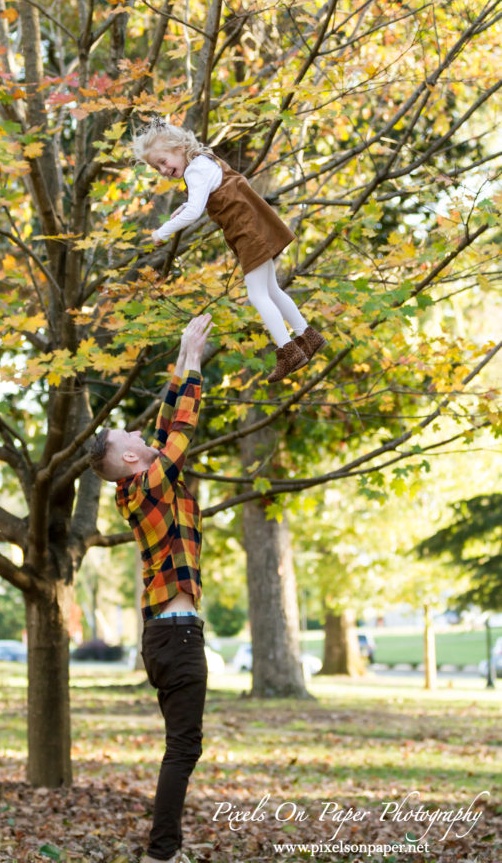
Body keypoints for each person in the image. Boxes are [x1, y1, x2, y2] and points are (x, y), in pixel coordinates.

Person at [88, 314, 213, 863]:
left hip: (166, 637)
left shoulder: (139, 484)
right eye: (129, 437)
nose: (139, 433)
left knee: (181, 747)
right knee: (182, 749)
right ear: (131, 460)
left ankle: (164, 851)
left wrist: (187, 358)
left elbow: (162, 430)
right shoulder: (151, 480)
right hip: (177, 639)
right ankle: (162, 854)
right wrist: (193, 374)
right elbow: (180, 431)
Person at [132, 119, 326, 383]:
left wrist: (163, 231)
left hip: (248, 231)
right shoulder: (203, 160)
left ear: (178, 147)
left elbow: (194, 210)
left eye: (163, 161)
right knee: (271, 290)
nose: (163, 169)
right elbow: (200, 199)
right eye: (157, 167)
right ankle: (308, 337)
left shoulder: (194, 171)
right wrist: (184, 208)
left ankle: (288, 351)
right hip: (253, 227)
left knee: (258, 296)